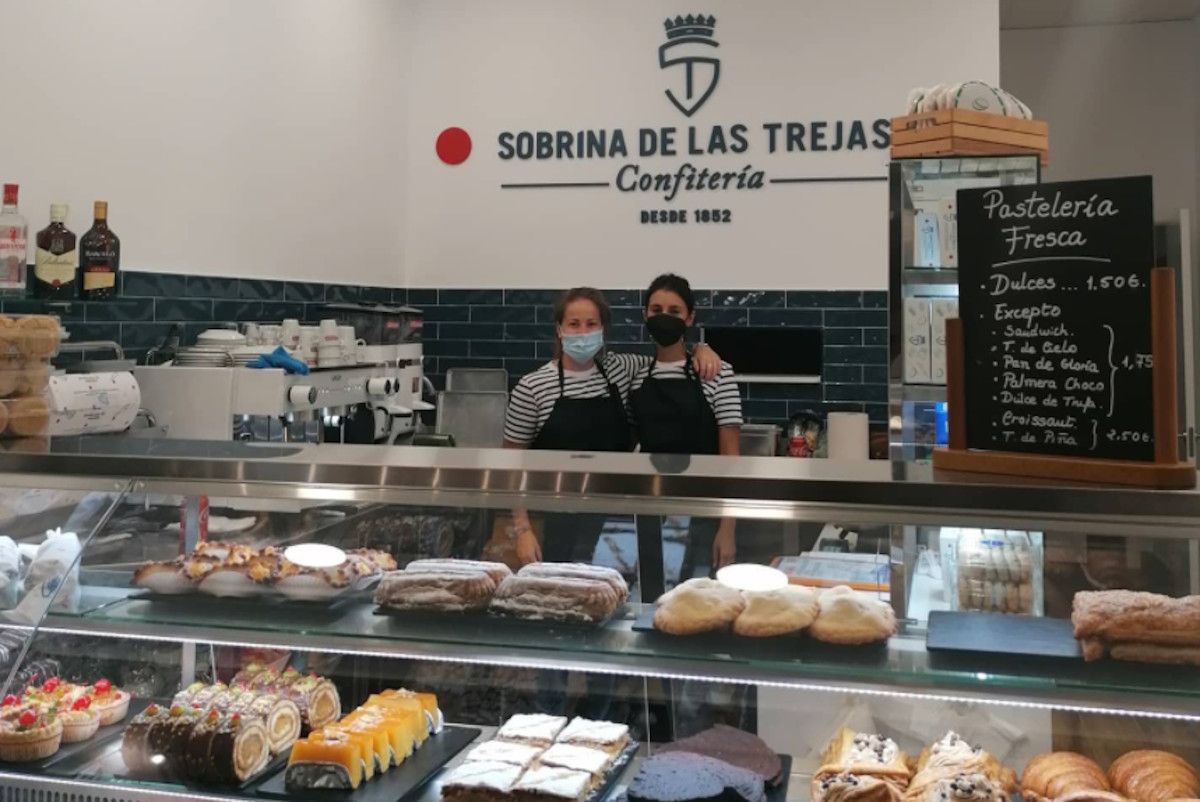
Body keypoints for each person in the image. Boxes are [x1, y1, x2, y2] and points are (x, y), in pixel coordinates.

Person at [503, 286, 720, 565]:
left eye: (591, 324)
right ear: (559, 329)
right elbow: (510, 463)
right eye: (574, 324)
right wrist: (522, 529)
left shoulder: (620, 369)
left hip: (612, 520)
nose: (583, 332)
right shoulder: (533, 387)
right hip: (552, 521)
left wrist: (702, 349)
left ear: (603, 329)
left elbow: (671, 359)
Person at [628, 273, 743, 576]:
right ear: (645, 315)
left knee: (702, 602)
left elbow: (731, 458)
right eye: (656, 310)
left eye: (675, 311)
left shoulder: (717, 373)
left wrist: (727, 528)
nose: (664, 317)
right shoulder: (635, 374)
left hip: (705, 510)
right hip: (651, 508)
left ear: (690, 318)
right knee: (650, 596)